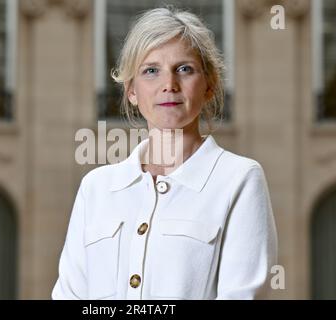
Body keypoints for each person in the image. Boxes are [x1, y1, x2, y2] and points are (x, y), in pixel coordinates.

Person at [52, 6, 278, 300]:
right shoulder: (96, 188)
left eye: (184, 69)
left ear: (209, 85)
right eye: (151, 71)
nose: (168, 85)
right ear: (131, 91)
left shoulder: (240, 180)